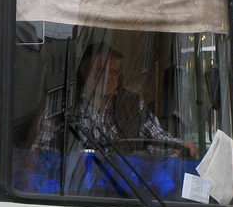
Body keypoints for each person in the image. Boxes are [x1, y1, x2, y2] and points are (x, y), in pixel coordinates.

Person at [66, 42, 197, 157]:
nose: (109, 77)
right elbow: (47, 154)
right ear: (84, 71)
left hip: (122, 181)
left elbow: (154, 136)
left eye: (115, 71)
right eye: (101, 69)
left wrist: (178, 146)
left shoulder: (131, 103)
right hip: (77, 183)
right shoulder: (68, 104)